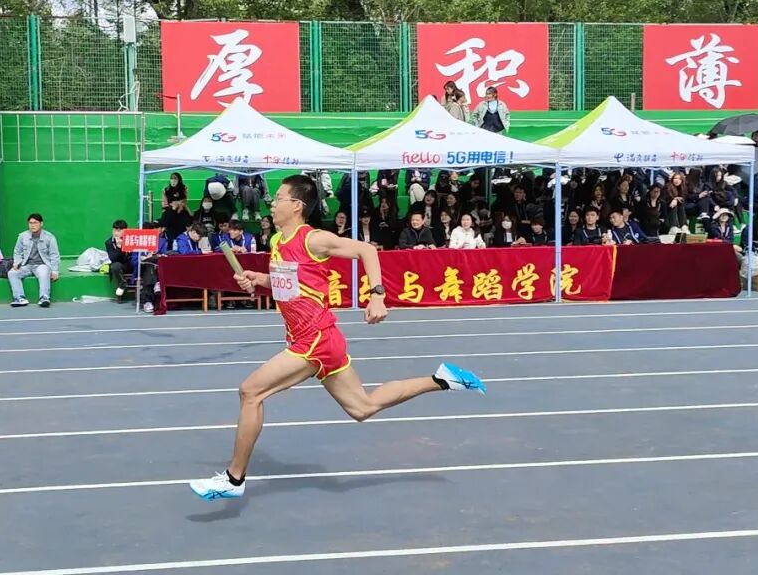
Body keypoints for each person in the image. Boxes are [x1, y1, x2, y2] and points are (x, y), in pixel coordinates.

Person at [188, 174, 486, 501]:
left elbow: (366, 250)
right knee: (363, 407)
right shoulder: (276, 242)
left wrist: (377, 295)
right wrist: (259, 279)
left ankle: (234, 479)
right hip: (318, 340)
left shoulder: (313, 239)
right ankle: (442, 379)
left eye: (279, 198)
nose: (272, 204)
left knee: (250, 392)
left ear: (297, 205)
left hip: (314, 339)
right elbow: (288, 285)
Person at [8, 213, 60, 308]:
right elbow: (17, 251)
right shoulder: (22, 236)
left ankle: (44, 297)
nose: (32, 225)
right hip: (26, 265)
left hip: (42, 265)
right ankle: (19, 298)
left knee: (44, 273)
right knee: (12, 273)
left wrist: (55, 270)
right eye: (30, 223)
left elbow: (54, 254)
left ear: (41, 224)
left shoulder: (49, 237)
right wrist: (17, 263)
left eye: (35, 223)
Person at [105, 219, 133, 298]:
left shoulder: (131, 239)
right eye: (114, 230)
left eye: (119, 230)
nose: (116, 233)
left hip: (131, 264)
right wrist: (118, 247)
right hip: (120, 265)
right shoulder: (109, 242)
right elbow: (113, 258)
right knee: (115, 266)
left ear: (125, 231)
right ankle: (122, 283)